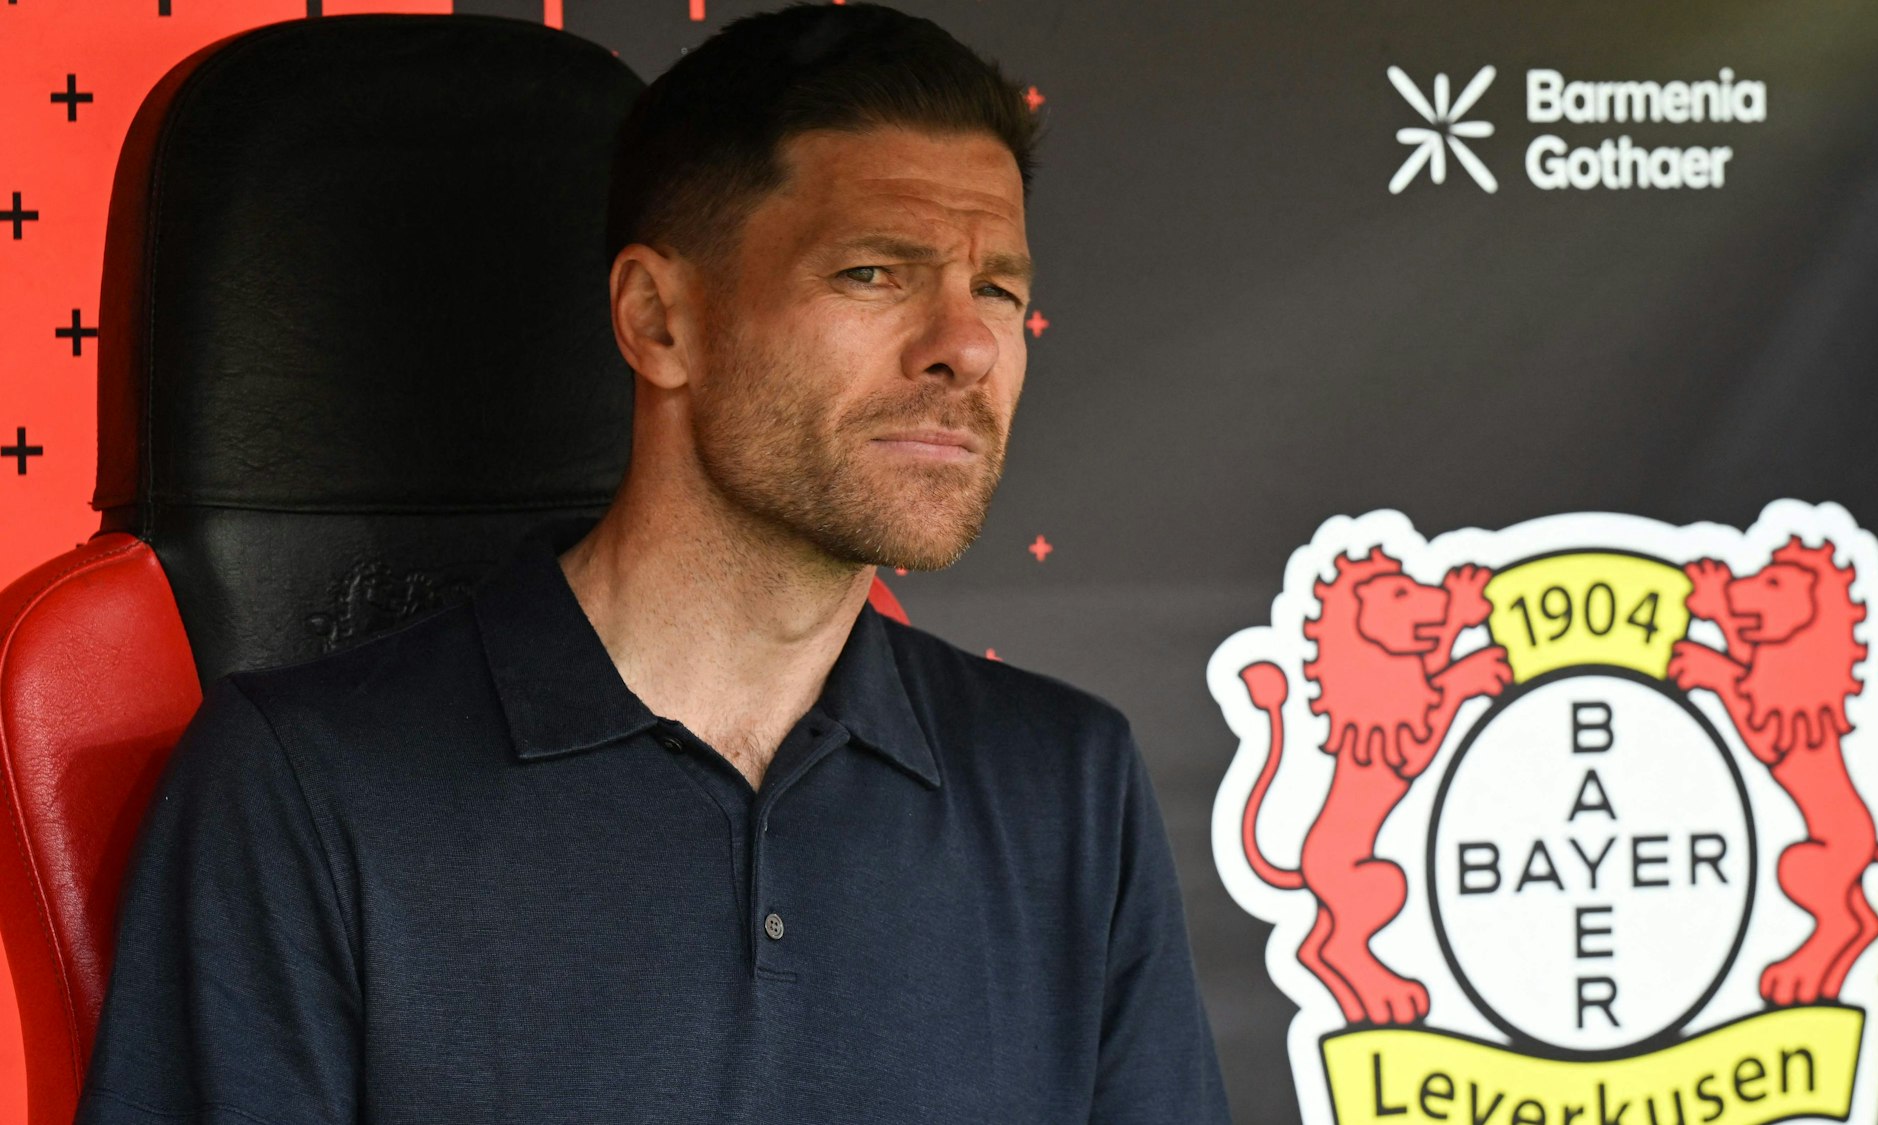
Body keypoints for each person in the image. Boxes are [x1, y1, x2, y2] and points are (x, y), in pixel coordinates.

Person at [75, 4, 1230, 1123]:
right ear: (658, 320)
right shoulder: (298, 787)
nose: (966, 345)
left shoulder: (1069, 784)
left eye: (996, 287)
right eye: (873, 273)